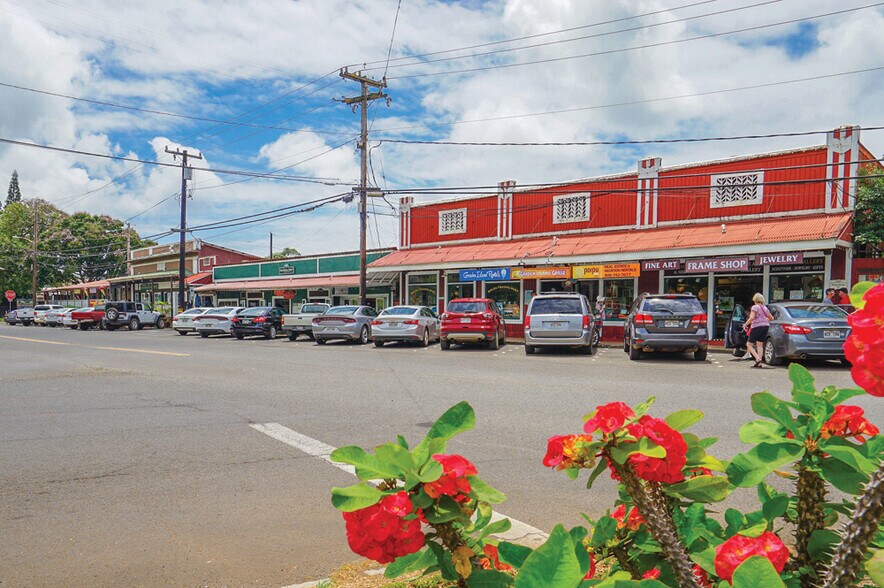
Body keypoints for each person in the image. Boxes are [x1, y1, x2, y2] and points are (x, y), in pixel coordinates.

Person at [743, 293, 774, 368]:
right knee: (760, 344)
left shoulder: (754, 307)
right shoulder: (765, 308)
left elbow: (752, 317)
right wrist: (763, 320)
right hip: (765, 326)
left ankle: (758, 358)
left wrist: (745, 324)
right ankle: (759, 363)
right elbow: (771, 318)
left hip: (757, 327)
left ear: (754, 299)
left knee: (749, 344)